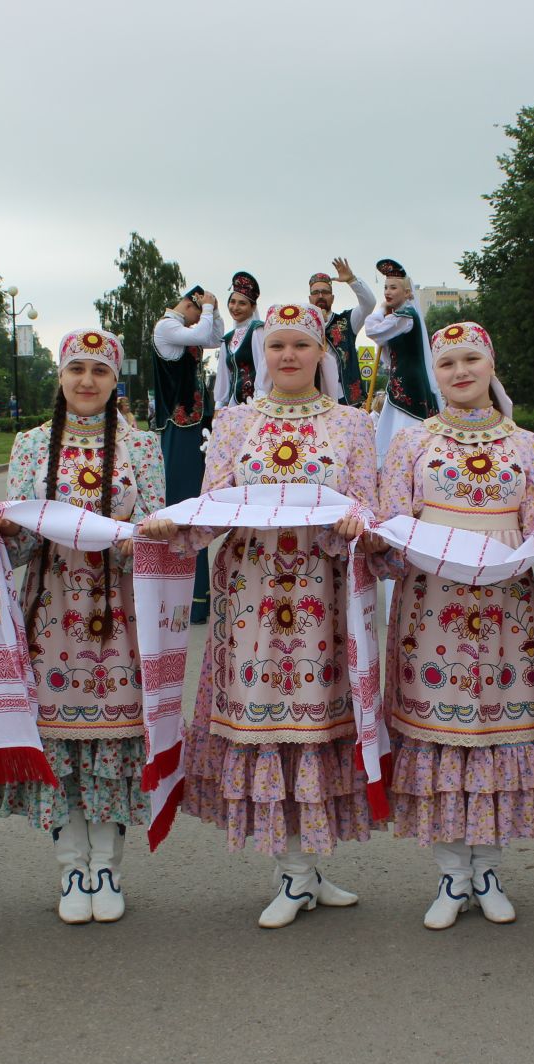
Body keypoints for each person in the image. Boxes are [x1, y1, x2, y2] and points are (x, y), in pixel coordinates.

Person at [136, 302, 379, 929]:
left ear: (322, 353)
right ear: (261, 355)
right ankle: (295, 875)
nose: (289, 356)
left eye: (301, 345)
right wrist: (177, 519)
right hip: (251, 599)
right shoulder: (236, 421)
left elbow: (370, 509)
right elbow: (216, 503)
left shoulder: (351, 424)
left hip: (323, 598)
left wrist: (359, 524)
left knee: (319, 726)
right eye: (277, 346)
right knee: (269, 725)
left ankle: (305, 872)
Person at [0, 330, 164, 925]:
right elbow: (24, 541)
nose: (87, 381)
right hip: (49, 611)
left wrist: (138, 537)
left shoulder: (143, 446)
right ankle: (69, 865)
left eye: (100, 371)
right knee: (58, 743)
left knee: (112, 741)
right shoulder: (32, 445)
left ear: (116, 381)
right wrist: (9, 532)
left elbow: (157, 536)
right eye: (77, 369)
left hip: (118, 617)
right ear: (60, 376)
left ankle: (106, 865)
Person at [378, 321, 534, 929]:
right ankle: (453, 874)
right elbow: (390, 529)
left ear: (491, 362)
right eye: (447, 363)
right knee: (442, 737)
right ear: (435, 373)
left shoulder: (528, 445)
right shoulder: (410, 444)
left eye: (470, 359)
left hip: (507, 612)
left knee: (497, 738)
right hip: (431, 609)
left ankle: (490, 870)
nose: (459, 372)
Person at [153, 285, 222, 624]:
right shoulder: (167, 327)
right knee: (184, 508)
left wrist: (213, 311)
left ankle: (196, 599)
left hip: (192, 426)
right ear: (190, 305)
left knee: (196, 508)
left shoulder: (186, 330)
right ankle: (182, 597)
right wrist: (207, 311)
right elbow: (205, 333)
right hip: (179, 427)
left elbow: (213, 339)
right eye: (201, 309)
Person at [362, 259, 441, 461]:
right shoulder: (400, 316)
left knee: (405, 424)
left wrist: (380, 310)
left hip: (409, 385)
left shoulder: (405, 316)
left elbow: (372, 330)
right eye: (386, 287)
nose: (388, 292)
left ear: (407, 293)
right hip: (400, 383)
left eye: (394, 287)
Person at [308, 259, 377, 406]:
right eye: (316, 293)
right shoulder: (304, 327)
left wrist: (352, 280)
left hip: (344, 398)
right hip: (311, 398)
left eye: (325, 292)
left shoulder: (346, 321)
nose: (320, 296)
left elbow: (369, 304)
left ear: (332, 298)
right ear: (310, 299)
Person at [215, 272, 265, 409]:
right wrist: (219, 406)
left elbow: (263, 366)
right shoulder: (227, 338)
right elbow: (223, 376)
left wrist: (260, 403)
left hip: (255, 404)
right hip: (233, 407)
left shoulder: (257, 330)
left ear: (253, 307)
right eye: (232, 302)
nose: (235, 308)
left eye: (242, 303)